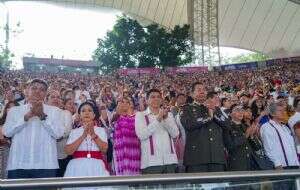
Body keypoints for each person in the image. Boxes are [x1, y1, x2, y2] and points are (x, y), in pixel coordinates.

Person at [2, 79, 64, 179]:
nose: (37, 91)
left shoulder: (55, 111)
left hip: (46, 165)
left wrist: (42, 116)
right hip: (18, 164)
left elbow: (58, 134)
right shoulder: (15, 111)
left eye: (42, 89)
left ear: (45, 94)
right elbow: (7, 132)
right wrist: (25, 117)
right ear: (27, 90)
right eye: (34, 88)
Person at [180, 82, 226, 173]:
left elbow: (227, 125)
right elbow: (188, 125)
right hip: (196, 159)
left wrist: (214, 111)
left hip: (217, 157)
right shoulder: (186, 108)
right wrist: (208, 117)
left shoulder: (215, 108)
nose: (202, 92)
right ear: (192, 94)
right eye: (199, 90)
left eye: (204, 90)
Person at [135, 89, 179, 174]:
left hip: (170, 161)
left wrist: (165, 119)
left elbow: (175, 134)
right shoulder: (140, 115)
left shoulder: (168, 115)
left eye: (158, 97)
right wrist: (158, 119)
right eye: (152, 97)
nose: (156, 99)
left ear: (161, 100)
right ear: (147, 101)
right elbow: (142, 135)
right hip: (151, 163)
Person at [64, 101, 109, 179]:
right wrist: (83, 135)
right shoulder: (74, 132)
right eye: (83, 111)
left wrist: (93, 135)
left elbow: (104, 150)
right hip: (77, 167)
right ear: (79, 115)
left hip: (96, 166)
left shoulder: (101, 130)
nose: (86, 113)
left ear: (94, 115)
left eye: (90, 110)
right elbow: (68, 151)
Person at [223, 105, 260, 171]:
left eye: (242, 111)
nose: (240, 113)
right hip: (237, 164)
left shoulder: (246, 127)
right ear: (230, 114)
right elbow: (230, 145)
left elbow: (257, 147)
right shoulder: (227, 127)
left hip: (251, 163)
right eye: (237, 110)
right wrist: (245, 135)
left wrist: (251, 136)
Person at [46, 90, 73, 177]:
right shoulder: (42, 114)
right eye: (52, 97)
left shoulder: (66, 113)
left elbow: (65, 132)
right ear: (46, 100)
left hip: (61, 156)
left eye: (58, 97)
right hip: (46, 156)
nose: (56, 99)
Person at [113, 96, 140, 176]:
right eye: (121, 102)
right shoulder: (115, 118)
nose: (124, 104)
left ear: (131, 104)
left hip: (134, 151)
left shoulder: (137, 117)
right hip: (120, 153)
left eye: (127, 102)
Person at [0, 101, 19, 179]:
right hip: (5, 155)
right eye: (9, 107)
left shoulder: (23, 123)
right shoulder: (1, 123)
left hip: (18, 157)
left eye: (13, 108)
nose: (10, 110)